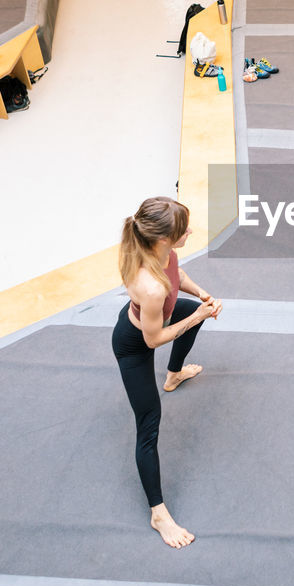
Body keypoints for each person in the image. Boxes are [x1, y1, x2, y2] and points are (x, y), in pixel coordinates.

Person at [112, 196, 222, 548]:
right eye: (183, 228)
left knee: (192, 315)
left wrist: (201, 294)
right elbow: (154, 338)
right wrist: (197, 316)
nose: (189, 230)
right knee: (149, 423)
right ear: (163, 238)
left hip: (157, 315)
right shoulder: (151, 286)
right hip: (133, 345)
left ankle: (173, 375)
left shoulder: (163, 253)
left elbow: (179, 273)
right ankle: (158, 513)